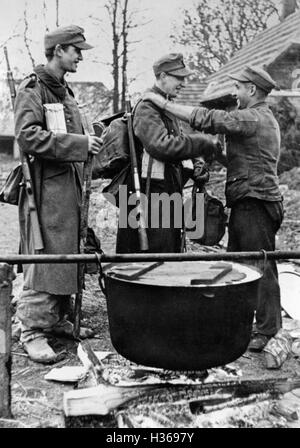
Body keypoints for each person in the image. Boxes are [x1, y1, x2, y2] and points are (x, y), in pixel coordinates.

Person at [143, 65, 284, 352]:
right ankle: (242, 324)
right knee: (240, 265)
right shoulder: (257, 118)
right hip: (249, 201)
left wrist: (163, 104)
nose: (236, 93)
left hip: (256, 202)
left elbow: (207, 118)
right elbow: (237, 161)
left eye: (240, 88)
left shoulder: (253, 117)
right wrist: (211, 149)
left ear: (252, 90)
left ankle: (269, 330)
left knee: (261, 265)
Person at [14, 25, 103, 363]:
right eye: (76, 50)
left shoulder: (65, 91)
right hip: (45, 191)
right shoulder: (34, 89)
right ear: (59, 50)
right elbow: (27, 137)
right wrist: (80, 144)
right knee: (46, 257)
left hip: (69, 187)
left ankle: (57, 320)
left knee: (69, 253)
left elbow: (66, 132)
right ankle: (33, 330)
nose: (80, 56)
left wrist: (91, 136)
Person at [116, 53, 219, 253]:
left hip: (165, 190)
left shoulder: (166, 106)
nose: (183, 83)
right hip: (148, 194)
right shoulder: (148, 107)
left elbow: (178, 144)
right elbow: (161, 146)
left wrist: (196, 163)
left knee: (168, 250)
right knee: (149, 257)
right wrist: (201, 143)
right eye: (178, 78)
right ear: (162, 76)